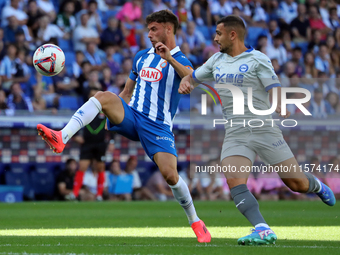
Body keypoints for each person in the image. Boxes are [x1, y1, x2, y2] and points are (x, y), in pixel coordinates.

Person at [37, 10, 211, 243]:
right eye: (148, 29)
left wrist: (168, 58)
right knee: (104, 96)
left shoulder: (181, 60)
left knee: (170, 175)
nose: (148, 34)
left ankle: (195, 221)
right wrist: (112, 113)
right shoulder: (141, 57)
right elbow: (127, 92)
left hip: (158, 127)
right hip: (133, 115)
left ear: (168, 29)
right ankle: (62, 136)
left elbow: (192, 79)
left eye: (154, 29)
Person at [179, 15, 335, 245]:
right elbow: (192, 77)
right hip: (235, 133)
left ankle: (317, 185)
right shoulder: (216, 60)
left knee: (296, 184)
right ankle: (262, 230)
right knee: (233, 179)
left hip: (264, 129)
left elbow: (273, 86)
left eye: (219, 34)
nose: (215, 38)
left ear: (233, 35)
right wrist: (185, 79)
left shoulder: (257, 59)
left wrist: (279, 103)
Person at [71, 88, 107, 201]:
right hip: (87, 143)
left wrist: (111, 141)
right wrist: (75, 136)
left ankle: (99, 194)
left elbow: (113, 124)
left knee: (100, 167)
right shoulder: (84, 110)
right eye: (91, 95)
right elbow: (75, 122)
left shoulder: (105, 110)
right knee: (82, 166)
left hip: (100, 143)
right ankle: (75, 193)